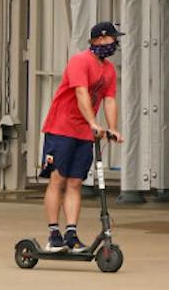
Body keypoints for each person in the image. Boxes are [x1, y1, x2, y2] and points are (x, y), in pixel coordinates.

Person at [39, 22, 124, 253]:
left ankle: (71, 235)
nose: (114, 44)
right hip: (61, 128)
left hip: (84, 133)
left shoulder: (109, 70)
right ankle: (53, 234)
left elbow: (109, 99)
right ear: (98, 40)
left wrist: (113, 128)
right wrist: (94, 123)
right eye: (111, 40)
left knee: (76, 182)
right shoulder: (80, 61)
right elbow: (80, 92)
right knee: (58, 179)